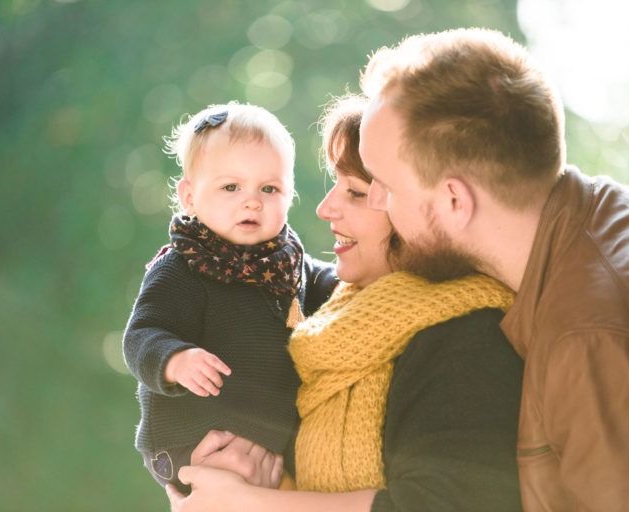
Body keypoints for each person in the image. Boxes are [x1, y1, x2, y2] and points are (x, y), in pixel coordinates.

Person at [358, 27, 629, 511]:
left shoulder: (592, 337)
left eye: (386, 185)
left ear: (455, 200)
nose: (375, 200)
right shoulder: (608, 216)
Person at [165, 95, 524, 511]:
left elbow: (447, 503)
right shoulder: (328, 319)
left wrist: (254, 502)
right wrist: (231, 478)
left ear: (430, 207)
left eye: (355, 192)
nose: (324, 208)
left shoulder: (466, 334)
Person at [122, 102, 337, 496]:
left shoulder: (286, 263)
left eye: (268, 188)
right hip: (190, 439)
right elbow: (142, 334)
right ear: (189, 196)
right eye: (230, 187)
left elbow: (328, 282)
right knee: (232, 479)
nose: (251, 201)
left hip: (267, 440)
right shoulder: (183, 267)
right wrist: (174, 359)